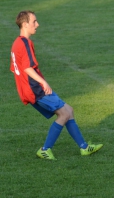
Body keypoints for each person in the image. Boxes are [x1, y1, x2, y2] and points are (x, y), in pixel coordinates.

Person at [10, 10, 103, 160]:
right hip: (35, 89)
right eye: (34, 22)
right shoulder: (25, 43)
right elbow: (27, 68)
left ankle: (84, 147)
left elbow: (15, 69)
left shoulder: (16, 43)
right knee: (64, 114)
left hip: (31, 88)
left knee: (68, 110)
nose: (37, 24)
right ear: (25, 24)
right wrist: (42, 82)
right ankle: (45, 149)